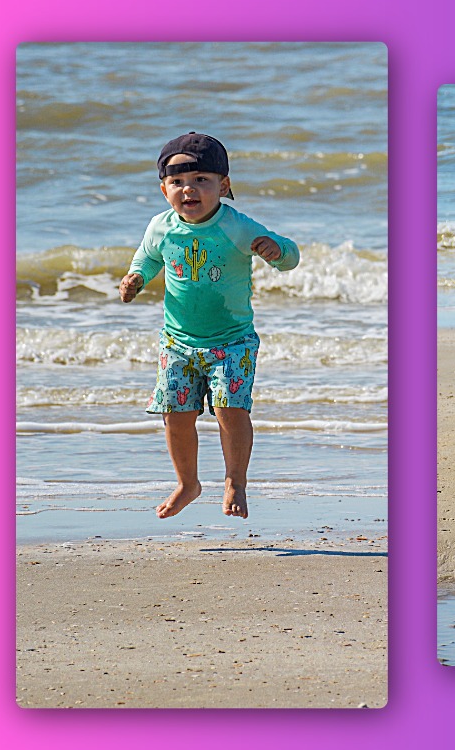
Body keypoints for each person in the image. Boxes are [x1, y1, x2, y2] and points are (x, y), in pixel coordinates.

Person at [118, 132, 300, 521]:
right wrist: (135, 277)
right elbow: (147, 258)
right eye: (179, 182)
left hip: (233, 341)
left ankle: (235, 480)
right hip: (177, 342)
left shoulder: (236, 225)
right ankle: (188, 482)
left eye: (202, 180)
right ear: (163, 188)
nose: (190, 189)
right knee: (176, 416)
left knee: (229, 409)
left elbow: (291, 257)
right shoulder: (160, 227)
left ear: (224, 186)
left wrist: (276, 249)